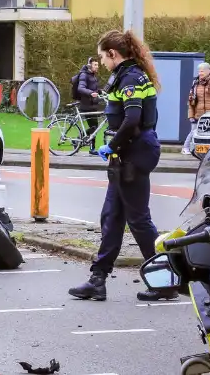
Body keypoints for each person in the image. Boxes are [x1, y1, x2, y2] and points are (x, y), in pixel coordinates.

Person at [69, 29, 174, 302]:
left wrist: (111, 146)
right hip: (131, 151)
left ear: (113, 54)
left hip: (134, 151)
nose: (102, 62)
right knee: (112, 217)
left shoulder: (131, 78)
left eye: (103, 56)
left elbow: (132, 120)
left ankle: (165, 280)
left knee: (138, 220)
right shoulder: (129, 75)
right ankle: (98, 279)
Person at [182, 62, 210, 155]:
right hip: (199, 113)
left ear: (208, 71)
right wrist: (191, 115)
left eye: (202, 71)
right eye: (199, 71)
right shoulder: (196, 83)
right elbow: (191, 100)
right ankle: (186, 148)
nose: (200, 73)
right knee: (193, 131)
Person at [72, 57, 104, 153]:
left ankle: (86, 145)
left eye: (97, 65)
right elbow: (81, 88)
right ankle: (85, 144)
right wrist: (91, 93)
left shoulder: (92, 75)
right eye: (95, 65)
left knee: (94, 127)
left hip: (92, 104)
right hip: (86, 105)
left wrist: (102, 92)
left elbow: (95, 89)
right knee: (94, 127)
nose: (97, 67)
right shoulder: (84, 75)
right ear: (90, 65)